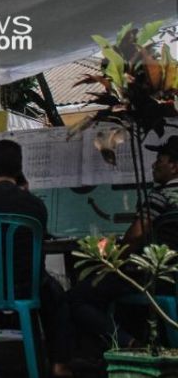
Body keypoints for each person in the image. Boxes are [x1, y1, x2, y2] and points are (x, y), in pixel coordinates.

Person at [0, 140, 74, 378]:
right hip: (25, 287)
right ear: (19, 169)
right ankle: (60, 363)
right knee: (57, 296)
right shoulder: (35, 205)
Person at [69, 135, 178, 349]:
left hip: (154, 277)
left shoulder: (160, 195)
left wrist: (114, 258)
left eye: (160, 159)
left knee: (78, 297)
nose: (154, 164)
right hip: (172, 277)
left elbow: (137, 234)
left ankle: (128, 343)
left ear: (174, 166)